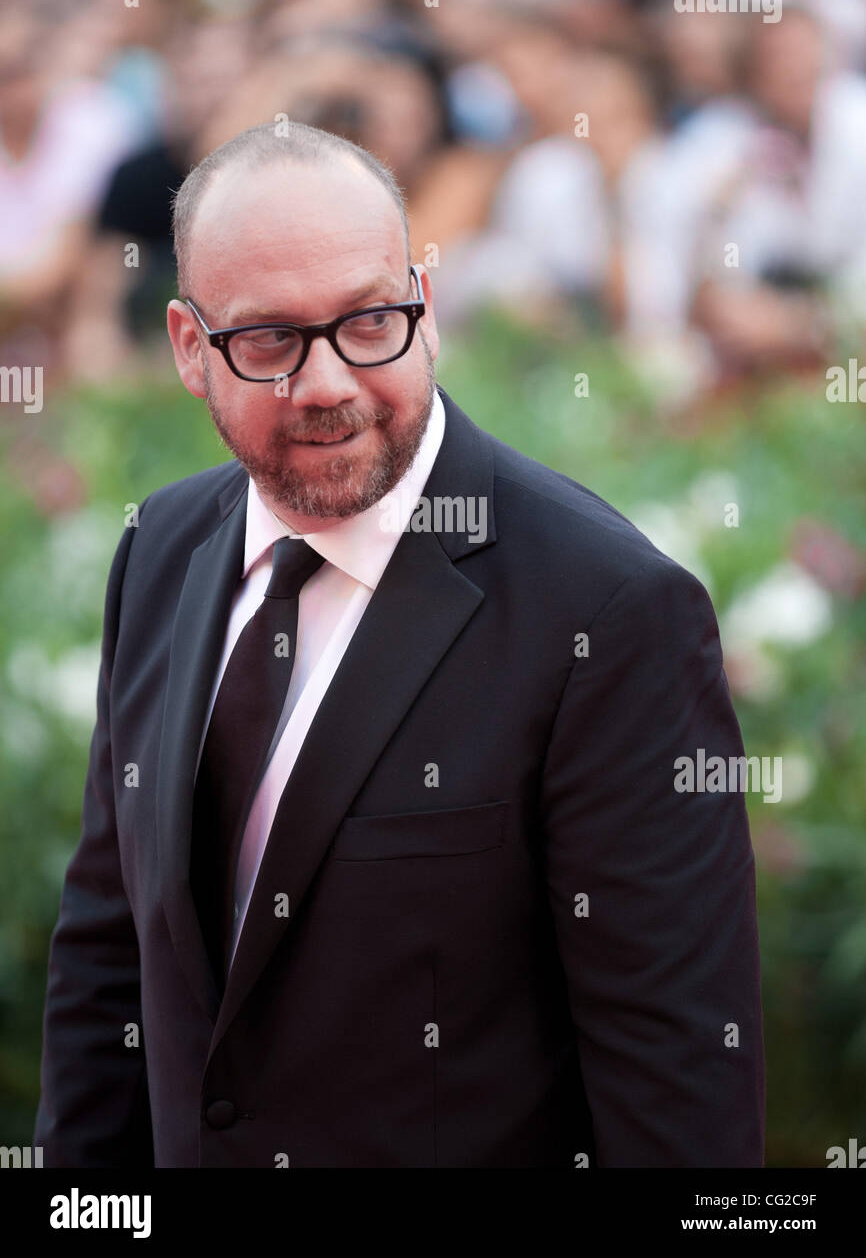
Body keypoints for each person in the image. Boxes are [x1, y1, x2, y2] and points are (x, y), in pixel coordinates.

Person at [34, 120, 765, 1168]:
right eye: (272, 340)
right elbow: (111, 955)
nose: (329, 382)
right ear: (191, 348)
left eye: (369, 320)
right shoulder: (162, 549)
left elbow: (678, 1085)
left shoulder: (604, 611)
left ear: (424, 304)